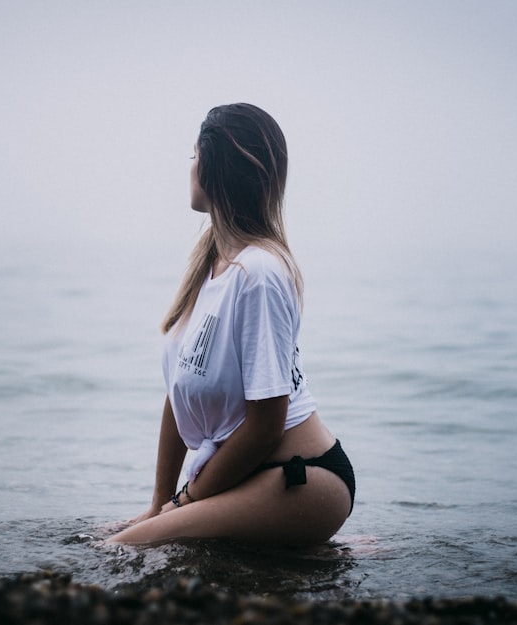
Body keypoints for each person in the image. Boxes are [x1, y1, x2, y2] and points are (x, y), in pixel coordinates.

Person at [108, 103, 354, 546]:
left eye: (194, 157)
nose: (190, 169)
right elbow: (178, 398)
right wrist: (158, 502)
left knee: (125, 549)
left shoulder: (258, 273)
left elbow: (265, 424)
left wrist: (183, 503)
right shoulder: (213, 267)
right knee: (117, 538)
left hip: (300, 476)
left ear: (214, 169)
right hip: (244, 477)